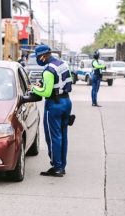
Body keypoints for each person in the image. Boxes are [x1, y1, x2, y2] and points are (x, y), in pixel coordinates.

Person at [31, 45, 72, 177]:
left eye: (38, 57)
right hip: (66, 102)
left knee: (53, 137)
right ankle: (62, 165)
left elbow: (46, 92)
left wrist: (33, 88)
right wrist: (42, 84)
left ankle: (56, 167)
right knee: (63, 135)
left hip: (54, 105)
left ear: (43, 56)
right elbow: (60, 82)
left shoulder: (48, 70)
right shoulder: (63, 64)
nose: (38, 60)